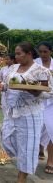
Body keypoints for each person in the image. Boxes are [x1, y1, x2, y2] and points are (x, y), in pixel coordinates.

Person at [0, 42, 53, 183]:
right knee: (6, 138)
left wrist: (33, 91)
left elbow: (49, 92)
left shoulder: (41, 71)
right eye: (15, 54)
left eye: (19, 54)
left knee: (28, 147)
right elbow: (9, 84)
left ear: (29, 54)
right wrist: (1, 87)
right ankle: (23, 157)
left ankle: (22, 178)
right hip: (12, 112)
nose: (16, 57)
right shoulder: (14, 68)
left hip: (30, 115)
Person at [35, 41, 53, 173]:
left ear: (50, 51)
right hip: (37, 102)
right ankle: (36, 153)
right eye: (40, 51)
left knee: (52, 131)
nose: (43, 54)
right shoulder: (35, 64)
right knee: (36, 130)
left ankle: (50, 161)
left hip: (52, 103)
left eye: (45, 51)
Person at [0, 53, 16, 118]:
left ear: (12, 60)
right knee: (4, 107)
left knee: (11, 109)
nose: (6, 61)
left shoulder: (16, 68)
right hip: (3, 91)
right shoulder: (3, 69)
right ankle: (5, 125)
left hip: (12, 90)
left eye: (7, 59)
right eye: (5, 59)